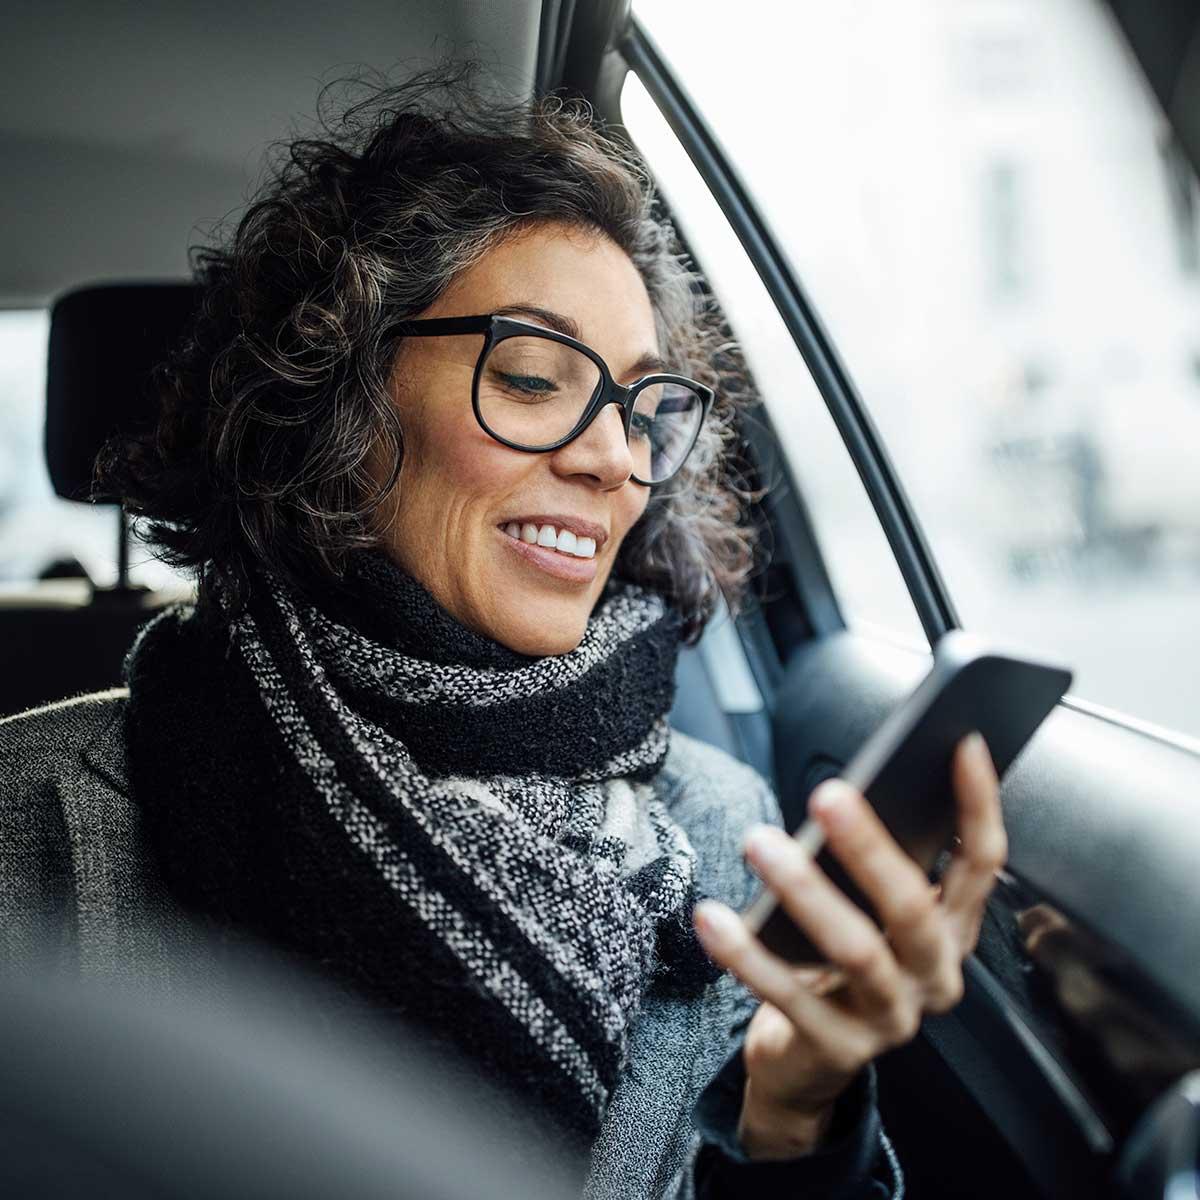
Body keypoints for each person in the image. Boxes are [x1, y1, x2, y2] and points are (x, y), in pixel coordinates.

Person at [0, 67, 1006, 1199]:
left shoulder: (727, 830)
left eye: (640, 407)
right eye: (534, 378)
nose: (613, 460)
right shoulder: (32, 811)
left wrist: (796, 1114)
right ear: (341, 402)